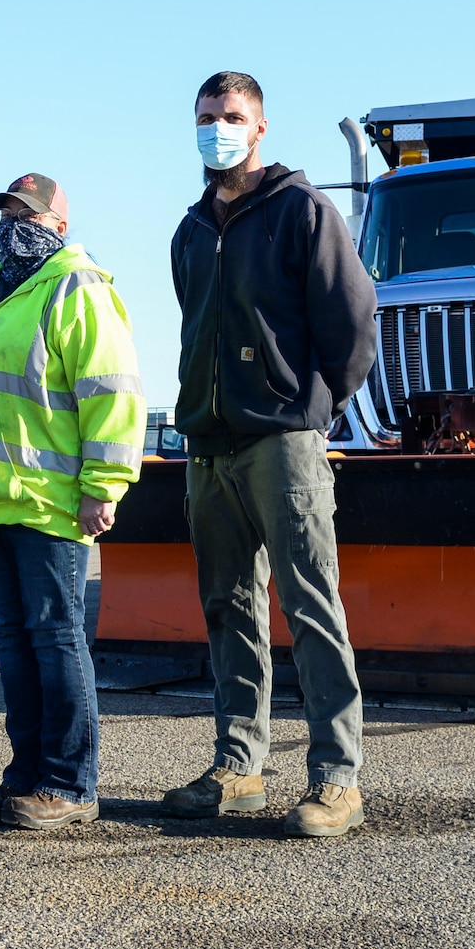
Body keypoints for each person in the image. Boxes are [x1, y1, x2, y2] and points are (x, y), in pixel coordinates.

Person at [163, 71, 378, 839]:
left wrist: (311, 414)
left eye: (231, 116)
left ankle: (336, 778)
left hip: (281, 441)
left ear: (260, 129)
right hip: (209, 445)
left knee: (311, 604)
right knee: (230, 609)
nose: (216, 127)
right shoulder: (191, 230)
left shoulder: (301, 210)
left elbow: (352, 324)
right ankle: (239, 766)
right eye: (206, 116)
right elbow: (197, 329)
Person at [0, 173, 146, 831]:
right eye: (5, 211)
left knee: (56, 640)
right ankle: (25, 777)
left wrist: (102, 487)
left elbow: (111, 392)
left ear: (59, 223)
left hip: (52, 505)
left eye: (26, 212)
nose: (11, 223)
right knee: (16, 643)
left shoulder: (76, 288)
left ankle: (70, 783)